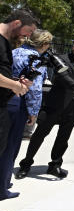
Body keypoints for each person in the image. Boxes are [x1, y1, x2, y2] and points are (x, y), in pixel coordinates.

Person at [17, 37, 74, 179]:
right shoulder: (61, 59)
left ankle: (55, 165)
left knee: (63, 139)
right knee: (39, 135)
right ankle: (26, 164)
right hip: (55, 104)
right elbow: (63, 78)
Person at [0, 27, 46, 199]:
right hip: (19, 101)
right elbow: (35, 89)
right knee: (11, 145)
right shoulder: (36, 59)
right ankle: (2, 186)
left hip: (5, 98)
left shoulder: (14, 51)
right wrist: (33, 112)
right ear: (44, 44)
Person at [0, 10, 37, 164]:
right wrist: (15, 85)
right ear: (16, 23)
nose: (28, 36)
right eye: (28, 31)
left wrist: (16, 81)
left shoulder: (5, 42)